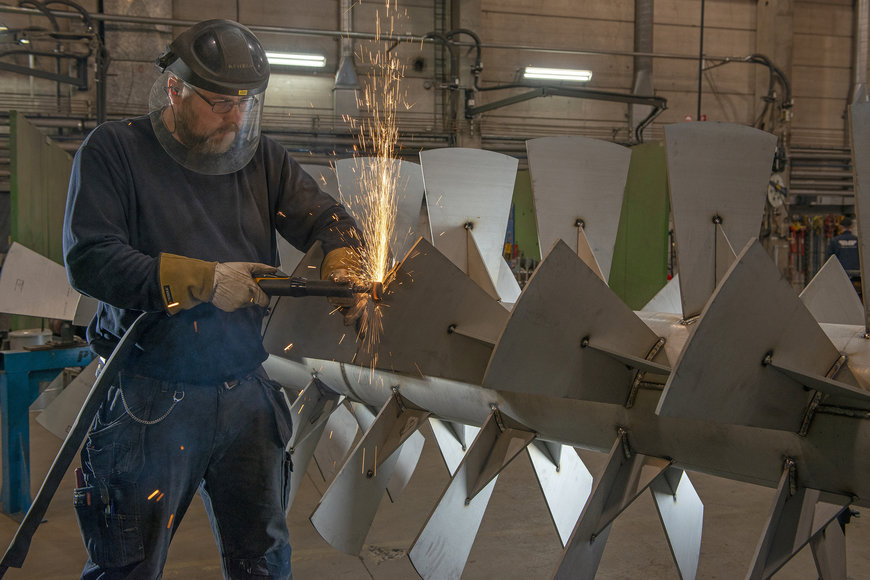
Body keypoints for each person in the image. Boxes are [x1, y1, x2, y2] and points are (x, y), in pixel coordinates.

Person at [62, 19, 365, 579]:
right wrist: (203, 280)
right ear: (175, 89)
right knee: (126, 567)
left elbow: (329, 219)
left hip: (246, 393)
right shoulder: (116, 150)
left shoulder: (259, 158)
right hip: (148, 395)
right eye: (221, 102)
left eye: (246, 103)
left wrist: (344, 259)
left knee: (264, 561)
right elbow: (90, 259)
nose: (236, 116)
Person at [826, 215, 861, 296]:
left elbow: (829, 261)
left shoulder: (834, 241)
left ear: (840, 226)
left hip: (840, 276)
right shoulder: (858, 241)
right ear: (852, 226)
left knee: (842, 296)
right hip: (857, 276)